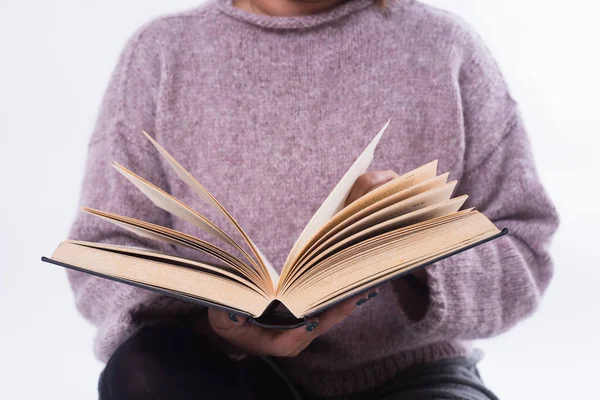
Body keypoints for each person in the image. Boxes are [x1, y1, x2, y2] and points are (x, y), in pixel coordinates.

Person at [67, 0, 559, 398]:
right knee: (142, 374)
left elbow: (525, 253)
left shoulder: (447, 49)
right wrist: (213, 326)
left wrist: (417, 249)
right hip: (222, 371)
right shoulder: (161, 54)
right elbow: (105, 248)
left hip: (410, 378)